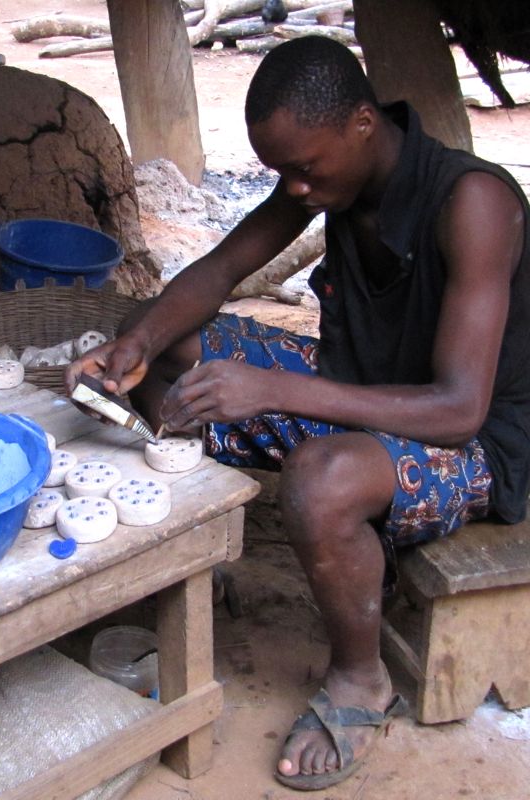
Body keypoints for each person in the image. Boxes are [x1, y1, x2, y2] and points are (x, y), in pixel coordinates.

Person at [65, 35, 530, 791]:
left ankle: (359, 680)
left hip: (475, 442)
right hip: (360, 385)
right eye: (284, 173)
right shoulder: (328, 178)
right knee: (174, 345)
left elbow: (457, 409)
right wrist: (134, 343)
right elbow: (220, 269)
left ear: (362, 124)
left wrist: (274, 388)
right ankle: (190, 564)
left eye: (304, 170)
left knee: (319, 480)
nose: (296, 189)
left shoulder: (475, 203)